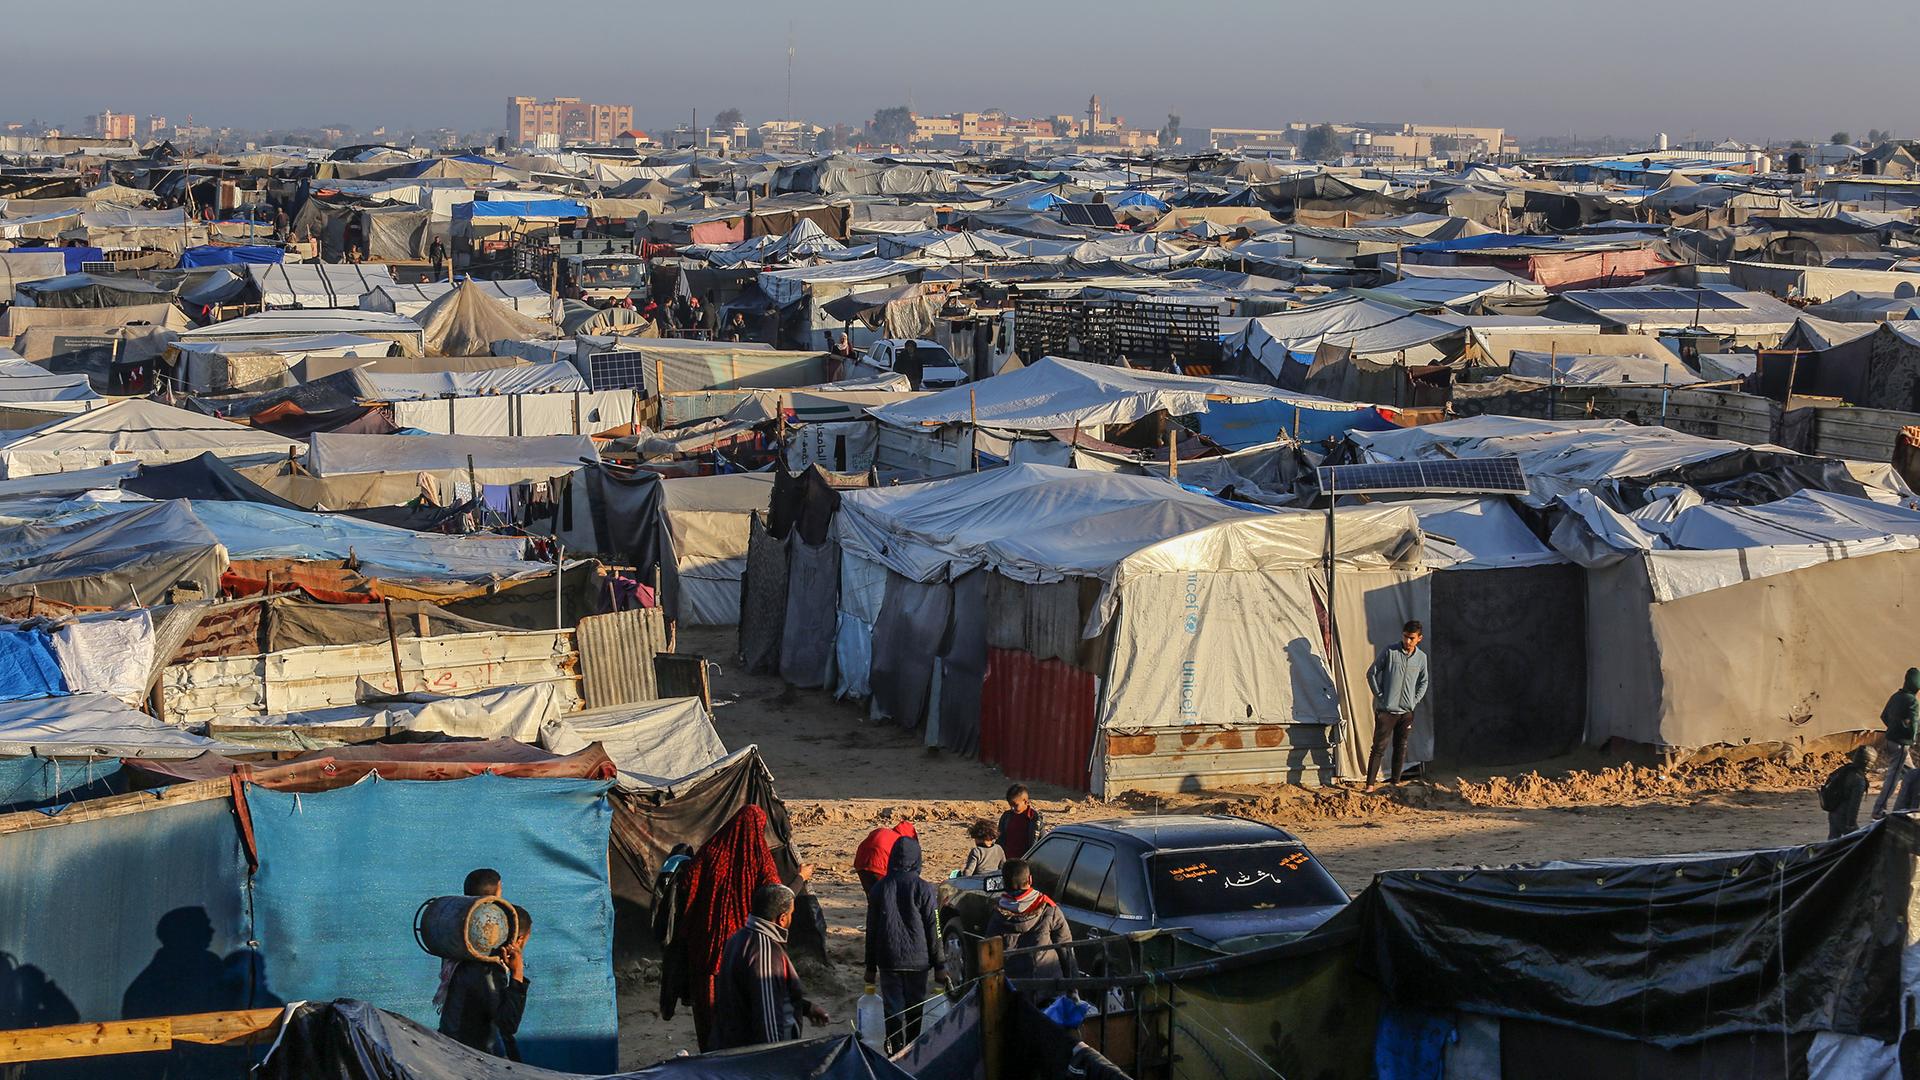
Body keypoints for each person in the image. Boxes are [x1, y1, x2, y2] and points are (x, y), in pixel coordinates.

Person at [680, 805, 784, 1050]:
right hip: (742, 953)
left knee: (709, 1014)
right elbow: (775, 894)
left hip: (706, 948)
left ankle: (710, 1061)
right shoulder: (759, 856)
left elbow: (688, 882)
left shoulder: (711, 850)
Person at [710, 884, 830, 1050]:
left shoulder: (738, 938)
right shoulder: (764, 952)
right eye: (791, 914)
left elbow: (756, 993)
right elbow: (768, 1016)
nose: (791, 918)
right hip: (752, 1055)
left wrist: (805, 1007)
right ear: (782, 918)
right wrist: (775, 1057)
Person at [864, 835, 943, 1052]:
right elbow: (934, 929)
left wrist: (870, 968)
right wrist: (940, 966)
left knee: (892, 1008)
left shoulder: (879, 888)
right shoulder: (923, 888)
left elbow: (871, 931)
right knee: (916, 1007)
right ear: (917, 859)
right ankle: (911, 1049)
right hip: (919, 960)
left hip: (888, 959)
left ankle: (894, 1049)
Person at [437, 906, 529, 1058]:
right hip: (473, 1059)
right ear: (518, 941)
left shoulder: (459, 958)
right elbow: (507, 1024)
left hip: (452, 1050)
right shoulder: (487, 972)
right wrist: (517, 974)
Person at [985, 860, 1077, 997]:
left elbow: (990, 956)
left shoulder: (998, 914)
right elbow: (1066, 950)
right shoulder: (1048, 909)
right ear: (1030, 879)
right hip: (1049, 989)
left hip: (1013, 992)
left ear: (1004, 883)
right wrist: (1073, 988)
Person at [1366, 621, 1430, 786]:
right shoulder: (1390, 651)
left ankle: (1395, 784)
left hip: (1406, 713)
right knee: (1379, 748)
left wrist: (1414, 701)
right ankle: (1370, 785)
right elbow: (1371, 673)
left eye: (1411, 638)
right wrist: (1381, 696)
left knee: (1400, 749)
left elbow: (1424, 682)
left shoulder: (1422, 658)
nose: (1407, 641)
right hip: (1386, 711)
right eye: (1405, 637)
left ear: (1419, 639)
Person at [435, 869, 503, 1013]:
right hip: (483, 988)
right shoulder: (495, 924)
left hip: (454, 997)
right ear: (497, 892)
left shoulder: (453, 919)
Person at [1873, 667, 1920, 819]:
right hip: (1901, 745)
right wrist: (1910, 737)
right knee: (1893, 778)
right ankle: (1878, 810)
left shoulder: (1896, 696)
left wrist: (1894, 728)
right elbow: (1913, 723)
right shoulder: (1912, 701)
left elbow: (1884, 716)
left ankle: (1908, 808)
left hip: (1890, 740)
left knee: (1912, 775)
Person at [854, 820, 918, 895]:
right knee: (885, 897)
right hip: (879, 865)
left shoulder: (885, 833)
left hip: (861, 862)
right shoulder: (902, 842)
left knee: (871, 895)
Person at [1821, 746, 1872, 839]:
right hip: (1843, 816)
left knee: (1832, 843)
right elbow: (1854, 805)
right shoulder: (1859, 780)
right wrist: (1851, 824)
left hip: (1833, 812)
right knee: (1858, 843)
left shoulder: (1845, 770)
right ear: (1868, 763)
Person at [998, 785, 1045, 861]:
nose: (1012, 808)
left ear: (1025, 801)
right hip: (1007, 861)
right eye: (1011, 805)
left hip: (1026, 862)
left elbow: (1041, 841)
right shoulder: (1006, 817)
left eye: (1016, 805)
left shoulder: (1035, 819)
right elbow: (1000, 838)